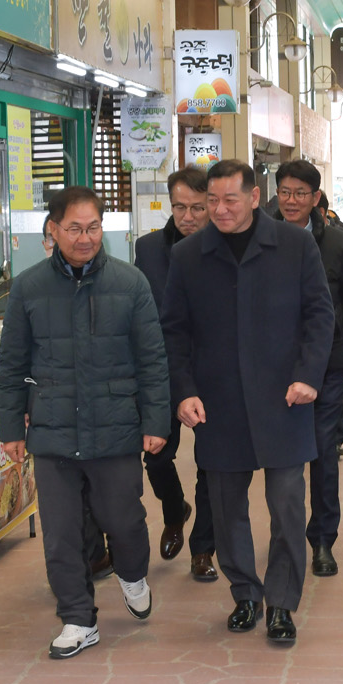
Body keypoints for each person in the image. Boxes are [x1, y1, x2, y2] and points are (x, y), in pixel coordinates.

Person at [161, 159, 334, 644]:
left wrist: (308, 376)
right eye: (211, 201)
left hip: (285, 399)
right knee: (225, 507)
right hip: (218, 404)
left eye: (230, 200)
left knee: (287, 506)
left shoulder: (295, 245)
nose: (219, 210)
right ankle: (245, 594)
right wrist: (184, 390)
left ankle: (281, 604)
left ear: (255, 197)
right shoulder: (189, 255)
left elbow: (320, 316)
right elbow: (173, 332)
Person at [0, 188, 169, 659]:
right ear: (53, 230)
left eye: (93, 227)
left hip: (115, 425)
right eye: (74, 228)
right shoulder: (28, 288)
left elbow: (153, 360)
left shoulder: (131, 283)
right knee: (61, 534)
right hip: (53, 429)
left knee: (124, 520)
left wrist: (156, 421)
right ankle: (77, 617)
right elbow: (12, 365)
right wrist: (10, 428)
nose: (85, 238)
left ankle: (132, 575)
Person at [271, 159, 343, 578]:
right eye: (285, 192)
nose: (292, 200)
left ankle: (322, 539)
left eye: (301, 193)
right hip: (275, 367)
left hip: (329, 364)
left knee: (323, 451)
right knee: (281, 458)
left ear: (316, 198)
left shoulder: (340, 245)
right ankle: (285, 535)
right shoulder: (261, 238)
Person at [133, 167, 218, 581]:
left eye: (197, 208)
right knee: (156, 455)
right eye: (179, 207)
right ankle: (174, 509)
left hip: (213, 372)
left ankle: (203, 549)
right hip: (162, 369)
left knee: (213, 463)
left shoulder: (224, 247)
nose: (188, 216)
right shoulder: (148, 249)